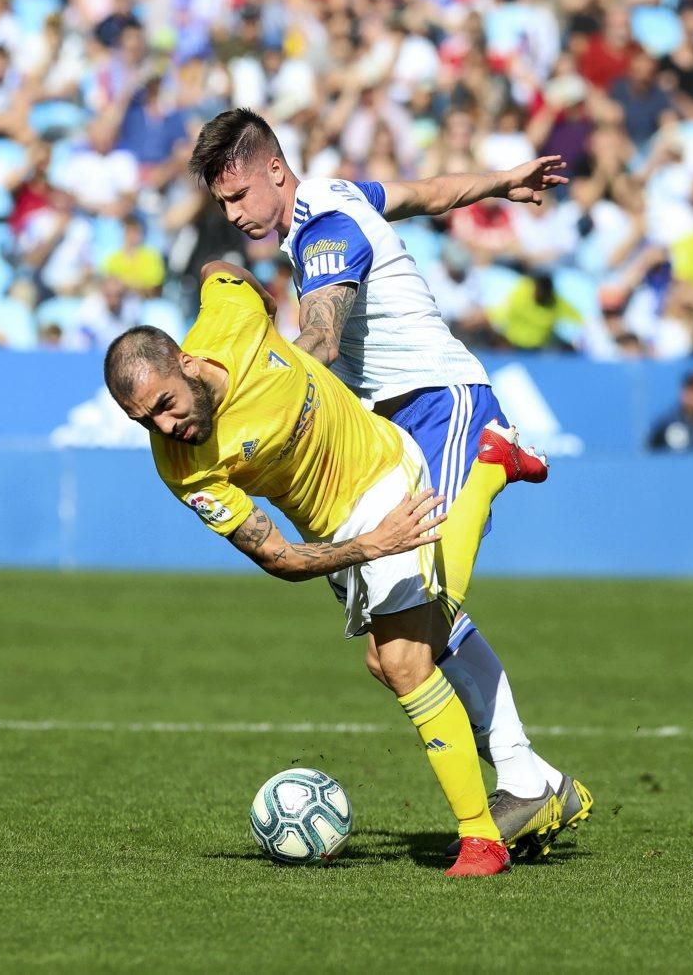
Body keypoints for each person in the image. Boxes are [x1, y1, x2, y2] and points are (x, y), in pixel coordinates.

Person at [188, 109, 593, 859]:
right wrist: (503, 181)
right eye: (222, 204)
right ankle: (533, 779)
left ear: (275, 169)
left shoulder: (323, 236)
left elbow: (322, 337)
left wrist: (258, 384)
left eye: (239, 194)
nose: (234, 213)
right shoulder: (339, 195)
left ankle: (495, 460)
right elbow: (428, 190)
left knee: (413, 640)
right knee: (395, 651)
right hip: (395, 433)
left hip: (440, 409)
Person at [104, 260, 547, 877]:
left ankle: (482, 839)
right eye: (145, 421)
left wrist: (293, 334)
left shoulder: (229, 314)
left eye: (164, 405)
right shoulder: (182, 465)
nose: (165, 426)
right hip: (340, 533)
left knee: (406, 660)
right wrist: (368, 546)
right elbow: (278, 557)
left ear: (184, 359)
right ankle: (528, 777)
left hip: (384, 471)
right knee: (386, 661)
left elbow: (220, 270)